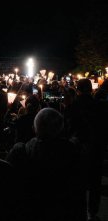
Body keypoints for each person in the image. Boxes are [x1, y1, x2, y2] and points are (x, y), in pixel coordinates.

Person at [7, 108, 85, 221]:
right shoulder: (73, 154)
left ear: (34, 129)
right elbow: (79, 195)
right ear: (61, 128)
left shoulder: (20, 153)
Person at [64, 79, 107, 221]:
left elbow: (68, 128)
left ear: (78, 89)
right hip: (96, 148)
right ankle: (92, 212)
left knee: (79, 182)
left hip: (78, 148)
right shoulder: (100, 106)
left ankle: (81, 212)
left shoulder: (73, 106)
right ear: (90, 89)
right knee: (95, 182)